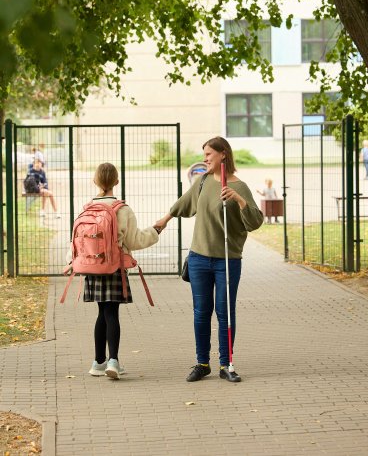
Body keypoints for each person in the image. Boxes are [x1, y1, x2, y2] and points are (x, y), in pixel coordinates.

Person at [155, 137, 263, 383]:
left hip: (227, 260)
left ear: (223, 154)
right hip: (199, 259)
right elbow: (184, 204)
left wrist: (238, 199)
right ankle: (202, 363)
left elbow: (255, 221)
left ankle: (226, 364)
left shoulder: (240, 186)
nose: (205, 159)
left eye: (208, 154)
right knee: (201, 313)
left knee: (225, 312)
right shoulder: (202, 181)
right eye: (204, 155)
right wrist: (163, 221)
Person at [67, 163, 162, 380]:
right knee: (112, 313)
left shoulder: (87, 208)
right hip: (114, 267)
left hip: (91, 267)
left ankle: (97, 362)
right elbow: (135, 240)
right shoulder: (123, 209)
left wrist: (71, 261)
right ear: (116, 182)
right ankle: (113, 361)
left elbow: (77, 240)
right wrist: (155, 231)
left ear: (95, 181)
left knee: (101, 312)